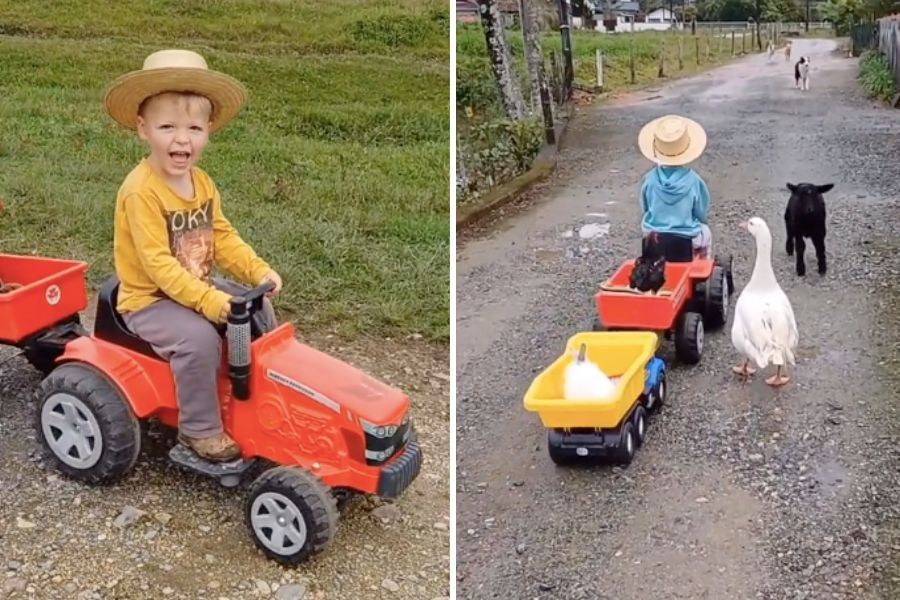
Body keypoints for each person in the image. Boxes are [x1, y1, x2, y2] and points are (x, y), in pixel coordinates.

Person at [104, 49, 283, 462]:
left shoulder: (201, 182)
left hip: (193, 285)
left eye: (194, 128)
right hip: (150, 300)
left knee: (255, 311)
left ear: (208, 131)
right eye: (167, 126)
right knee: (199, 339)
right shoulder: (141, 191)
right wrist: (210, 302)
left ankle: (245, 394)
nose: (181, 139)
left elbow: (221, 236)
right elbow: (159, 266)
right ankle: (198, 431)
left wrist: (258, 270)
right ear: (142, 129)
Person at [637, 114, 712, 263]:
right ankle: (703, 265)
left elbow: (645, 207)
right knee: (706, 232)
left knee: (646, 227)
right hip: (685, 237)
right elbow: (701, 212)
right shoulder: (694, 180)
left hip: (654, 234)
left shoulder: (649, 179)